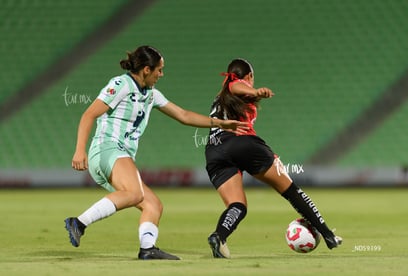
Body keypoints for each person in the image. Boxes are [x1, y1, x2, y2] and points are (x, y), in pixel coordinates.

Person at [65, 46, 247, 260]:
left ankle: (147, 249)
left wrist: (221, 124)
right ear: (145, 70)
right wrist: (79, 150)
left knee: (153, 205)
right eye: (159, 70)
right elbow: (88, 115)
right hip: (108, 149)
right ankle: (78, 223)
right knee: (135, 194)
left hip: (119, 155)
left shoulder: (151, 95)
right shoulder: (121, 85)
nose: (161, 74)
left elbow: (184, 115)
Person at [205, 58, 342, 258]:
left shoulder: (219, 99)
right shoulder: (235, 87)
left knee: (238, 205)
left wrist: (252, 93)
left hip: (214, 151)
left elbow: (232, 86)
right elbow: (235, 85)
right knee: (291, 190)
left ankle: (219, 236)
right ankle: (328, 235)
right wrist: (255, 91)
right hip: (242, 144)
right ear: (249, 76)